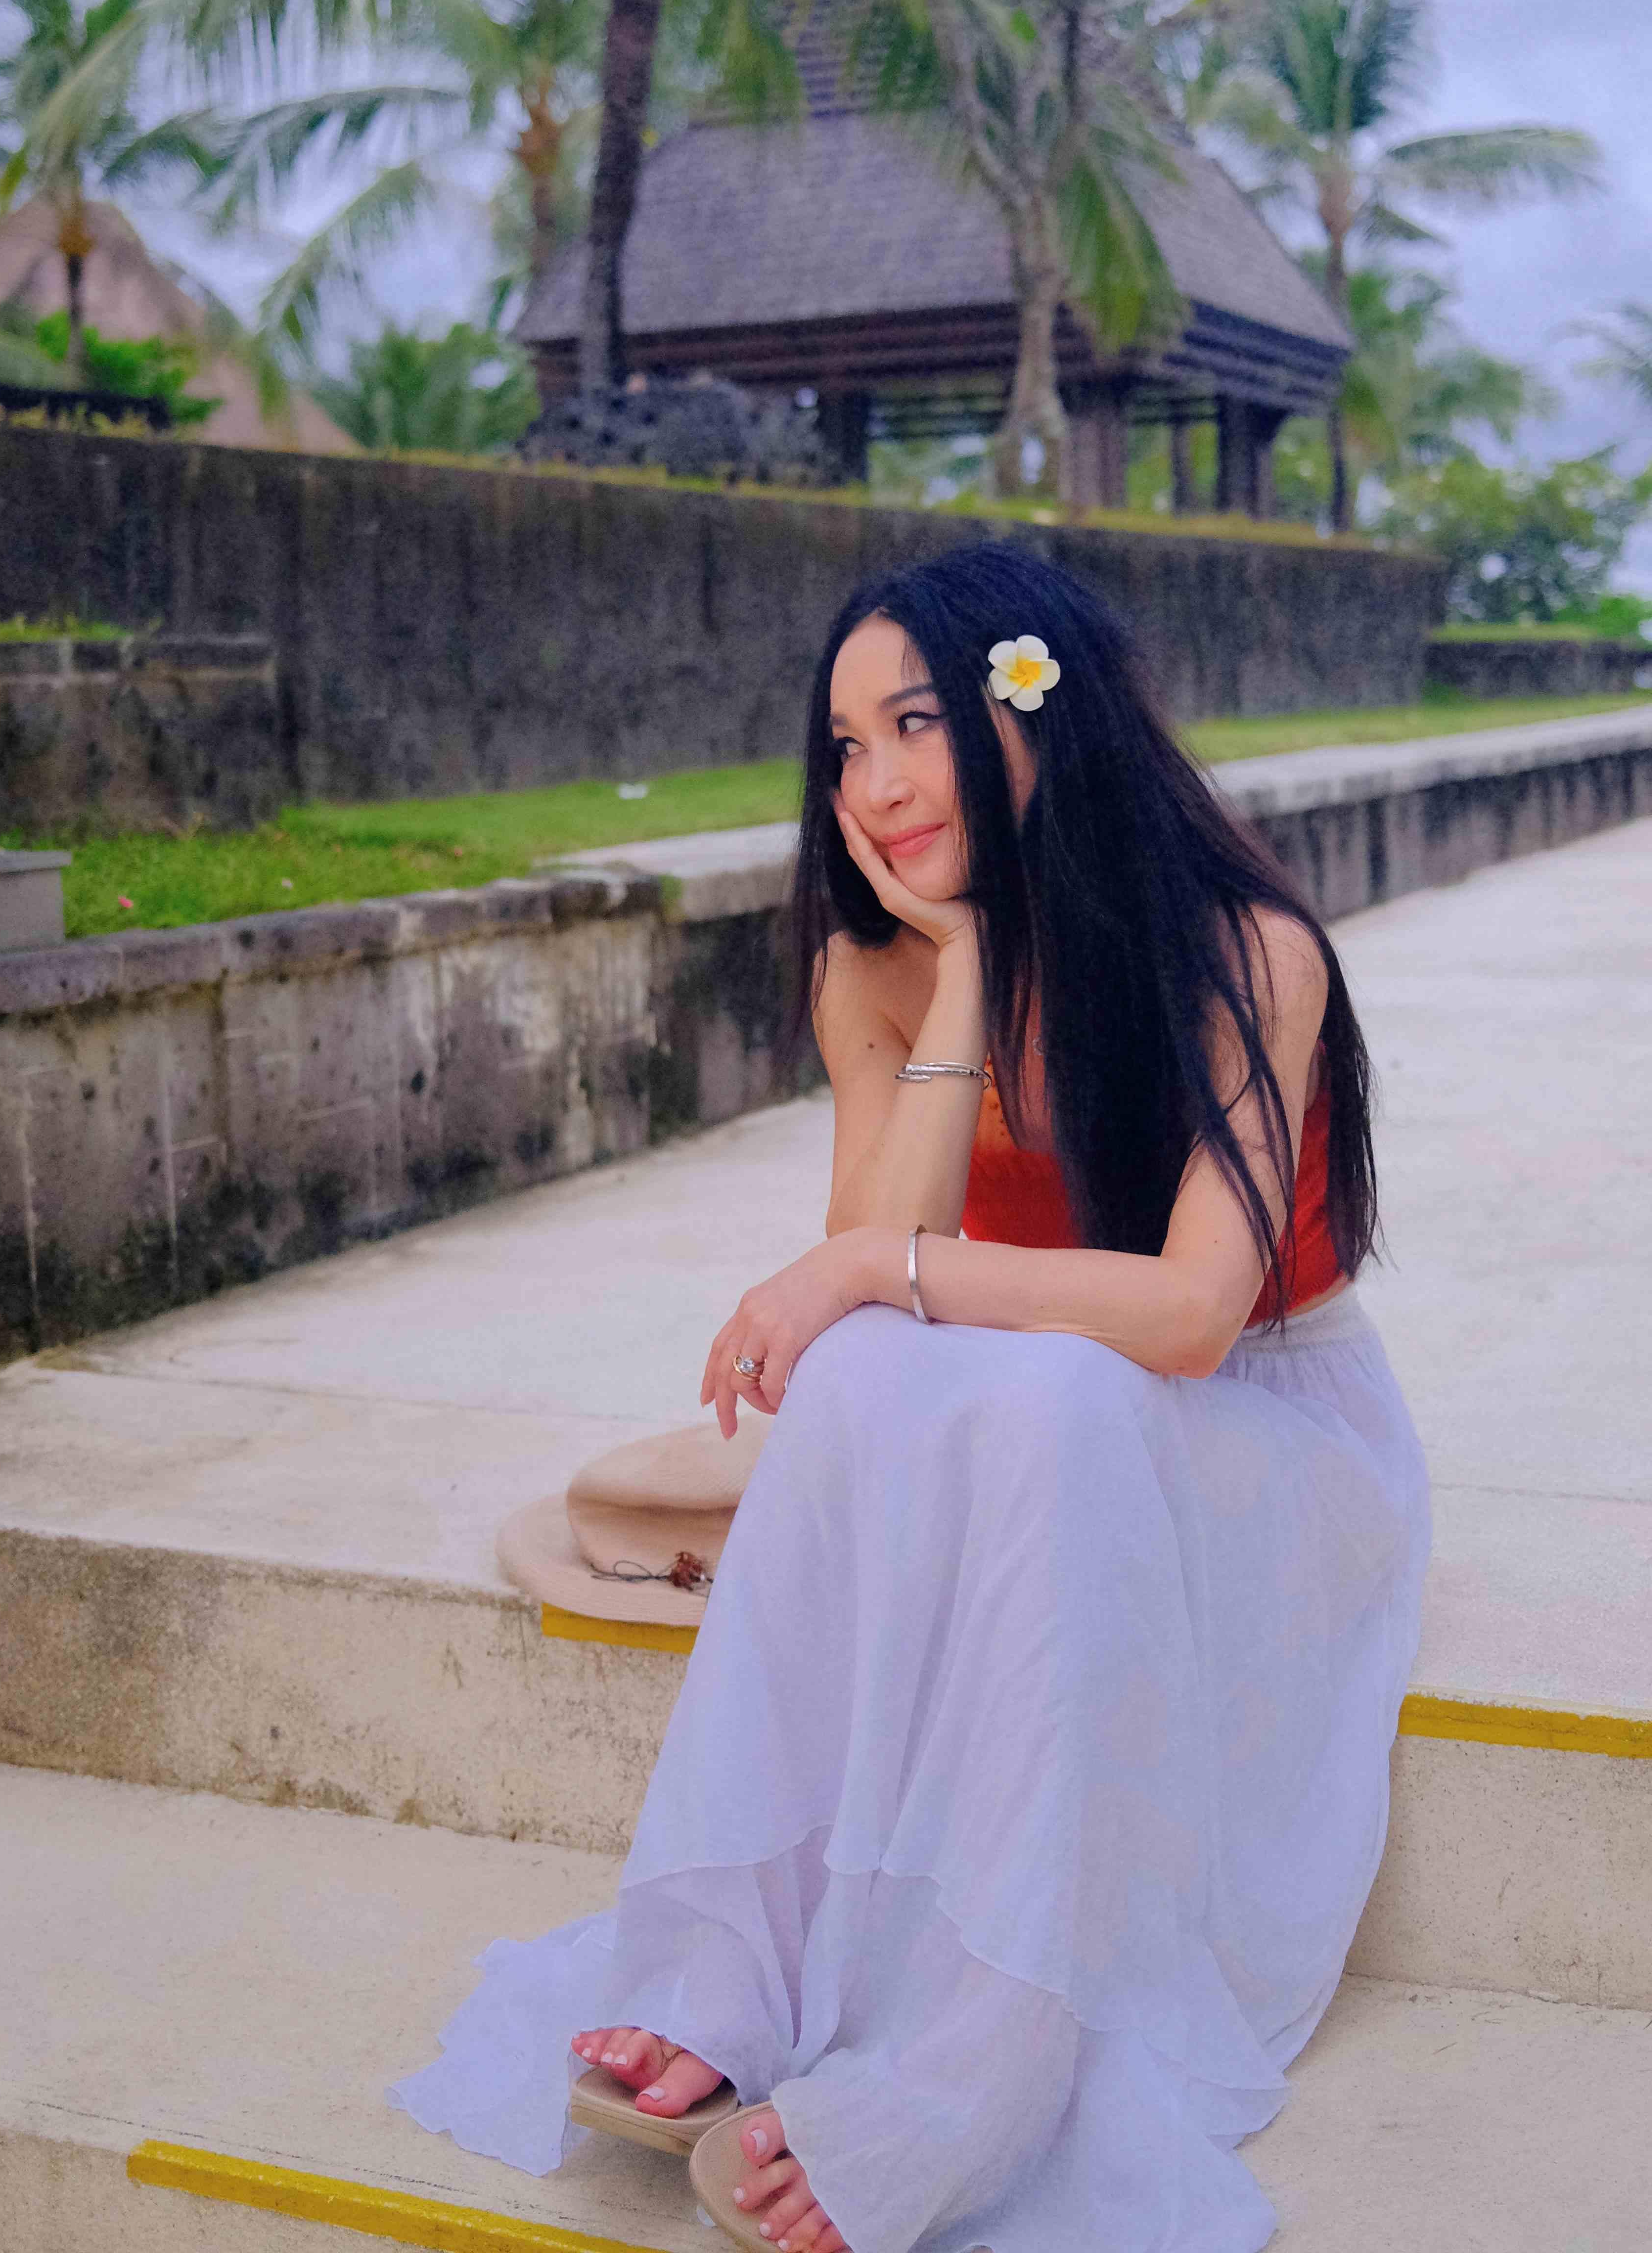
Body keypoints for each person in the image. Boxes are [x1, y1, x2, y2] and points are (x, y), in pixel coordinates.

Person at [393, 544, 1430, 2253]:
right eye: (844, 746)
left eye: (919, 725)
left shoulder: (1249, 952)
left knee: (1046, 1394)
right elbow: (873, 1295)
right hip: (1039, 1414)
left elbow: (1188, 1316)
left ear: (1037, 716)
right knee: (888, 1370)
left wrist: (880, 1268)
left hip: (1266, 1429)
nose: (872, 785)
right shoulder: (873, 969)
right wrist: (961, 972)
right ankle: (727, 1966)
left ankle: (977, 2065)